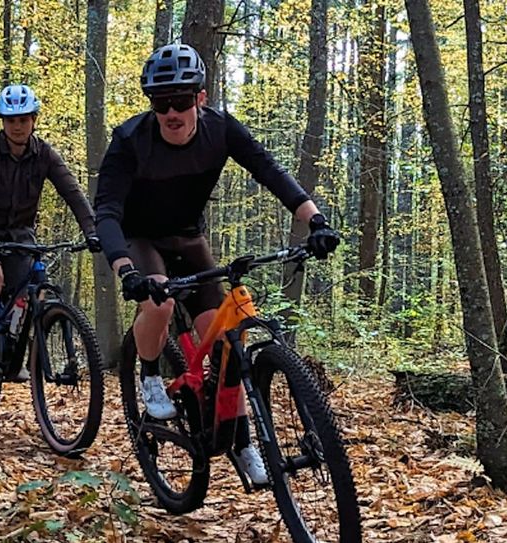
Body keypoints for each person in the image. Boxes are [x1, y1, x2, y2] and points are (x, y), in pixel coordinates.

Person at [93, 44, 341, 485]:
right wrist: (124, 269)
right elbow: (107, 211)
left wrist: (314, 220)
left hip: (188, 236)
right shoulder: (130, 141)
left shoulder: (221, 130)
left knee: (229, 341)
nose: (171, 112)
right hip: (140, 238)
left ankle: (242, 442)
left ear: (200, 98)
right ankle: (149, 373)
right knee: (161, 301)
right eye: (161, 102)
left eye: (181, 101)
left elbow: (270, 171)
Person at [0, 84, 102, 377]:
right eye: (11, 120)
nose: (18, 126)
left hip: (20, 236)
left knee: (36, 289)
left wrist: (93, 231)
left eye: (23, 119)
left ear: (33, 120)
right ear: (3, 122)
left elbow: (72, 192)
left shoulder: (45, 154)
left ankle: (16, 352)